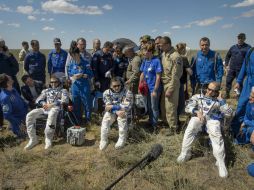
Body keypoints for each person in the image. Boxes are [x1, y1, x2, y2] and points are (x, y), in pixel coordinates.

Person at [177, 82, 233, 178]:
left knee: (215, 130)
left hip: (212, 120)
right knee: (192, 124)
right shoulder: (198, 97)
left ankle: (220, 162)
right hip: (199, 117)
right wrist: (196, 111)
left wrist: (222, 101)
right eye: (209, 89)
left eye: (214, 91)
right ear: (206, 88)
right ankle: (185, 153)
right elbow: (187, 106)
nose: (210, 92)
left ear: (217, 92)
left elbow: (229, 114)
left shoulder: (219, 102)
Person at [24, 75, 69, 150]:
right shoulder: (46, 90)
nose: (53, 84)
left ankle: (48, 139)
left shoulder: (63, 91)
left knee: (52, 114)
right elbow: (38, 100)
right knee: (30, 115)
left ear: (59, 82)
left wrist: (52, 104)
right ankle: (33, 139)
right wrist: (44, 103)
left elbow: (65, 100)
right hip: (45, 108)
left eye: (55, 82)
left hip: (56, 108)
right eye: (51, 82)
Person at [99, 77, 133, 150]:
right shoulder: (106, 93)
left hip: (124, 111)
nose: (117, 87)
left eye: (118, 85)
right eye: (114, 86)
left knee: (122, 118)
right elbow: (107, 107)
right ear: (111, 86)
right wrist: (116, 110)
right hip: (115, 111)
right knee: (106, 119)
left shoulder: (127, 92)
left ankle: (122, 139)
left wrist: (113, 107)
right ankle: (104, 139)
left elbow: (126, 106)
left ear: (121, 85)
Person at [159, 36, 183, 133]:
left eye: (162, 45)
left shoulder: (175, 56)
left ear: (168, 44)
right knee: (163, 106)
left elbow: (176, 75)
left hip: (171, 84)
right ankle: (166, 123)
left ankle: (173, 128)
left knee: (171, 107)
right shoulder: (164, 54)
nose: (160, 47)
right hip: (164, 83)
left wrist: (171, 89)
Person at [67, 41, 93, 124]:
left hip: (84, 86)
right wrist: (73, 76)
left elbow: (91, 74)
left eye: (74, 55)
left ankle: (88, 119)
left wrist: (83, 75)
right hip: (75, 86)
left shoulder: (85, 63)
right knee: (76, 104)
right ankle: (78, 120)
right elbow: (70, 73)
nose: (73, 57)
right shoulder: (71, 64)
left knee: (87, 104)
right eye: (71, 56)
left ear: (78, 54)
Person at [231, 47, 254, 136]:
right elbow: (244, 66)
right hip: (248, 82)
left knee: (252, 109)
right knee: (241, 106)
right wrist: (239, 81)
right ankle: (235, 131)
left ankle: (249, 134)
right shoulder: (250, 51)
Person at [139, 43, 162, 131]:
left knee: (154, 106)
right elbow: (142, 73)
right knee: (148, 106)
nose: (144, 53)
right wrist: (140, 85)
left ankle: (155, 125)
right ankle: (150, 121)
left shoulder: (156, 61)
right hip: (146, 87)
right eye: (143, 50)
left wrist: (155, 90)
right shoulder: (145, 60)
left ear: (151, 51)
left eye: (146, 51)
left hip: (153, 87)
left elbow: (158, 76)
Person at [224, 33, 251, 98]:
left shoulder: (248, 48)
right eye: (239, 38)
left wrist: (247, 69)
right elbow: (228, 56)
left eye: (241, 38)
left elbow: (250, 59)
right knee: (228, 81)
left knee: (239, 83)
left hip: (241, 70)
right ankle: (227, 94)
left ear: (244, 39)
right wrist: (227, 65)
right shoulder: (233, 47)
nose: (240, 39)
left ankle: (239, 95)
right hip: (232, 69)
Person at [176, 43, 193, 127]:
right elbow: (190, 72)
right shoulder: (183, 58)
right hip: (180, 83)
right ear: (183, 49)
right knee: (181, 102)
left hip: (171, 83)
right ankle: (178, 120)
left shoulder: (173, 57)